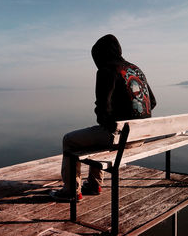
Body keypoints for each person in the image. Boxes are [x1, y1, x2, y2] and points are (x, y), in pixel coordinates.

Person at [50, 34, 156, 201]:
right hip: (140, 137)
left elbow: (102, 111)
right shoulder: (136, 69)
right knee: (101, 132)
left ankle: (71, 190)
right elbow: (153, 103)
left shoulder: (106, 70)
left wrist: (110, 118)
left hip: (120, 138)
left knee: (69, 140)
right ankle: (94, 184)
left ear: (101, 55)